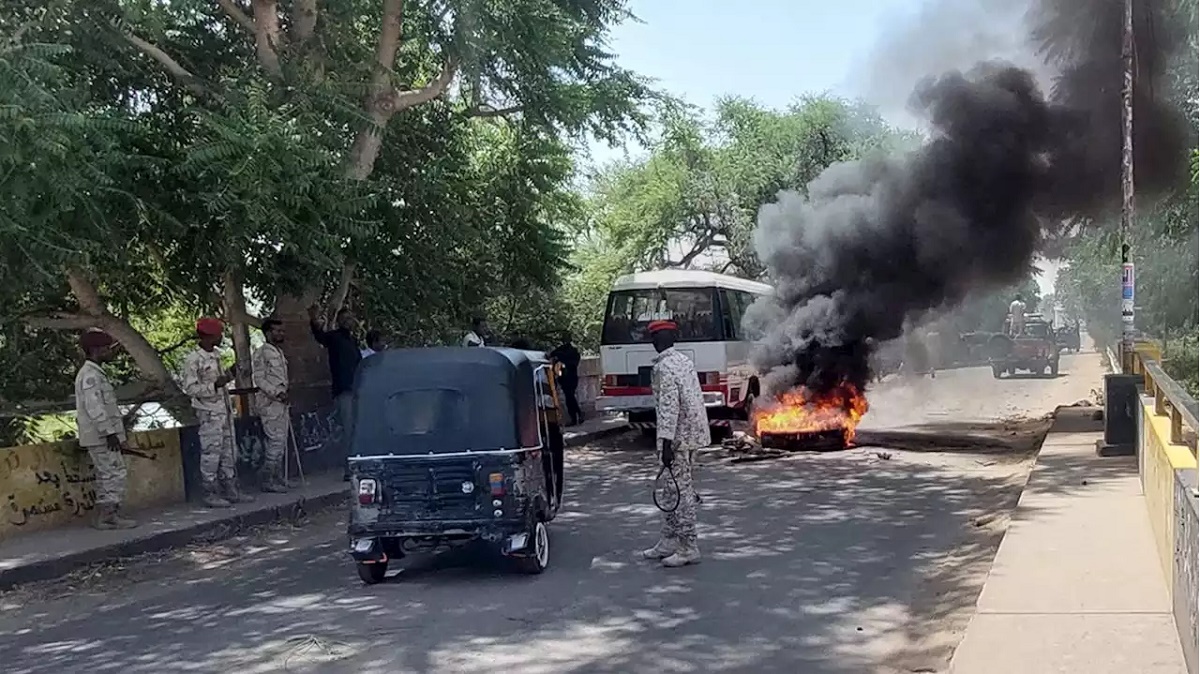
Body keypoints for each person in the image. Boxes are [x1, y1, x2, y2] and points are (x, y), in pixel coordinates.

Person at [642, 319, 710, 568]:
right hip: (691, 434)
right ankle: (669, 540)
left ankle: (688, 546)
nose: (654, 341)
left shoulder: (664, 367)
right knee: (671, 491)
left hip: (677, 438)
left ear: (657, 341)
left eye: (655, 337)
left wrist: (667, 444)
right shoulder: (683, 361)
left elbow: (670, 407)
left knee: (681, 493)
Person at [181, 318, 254, 507]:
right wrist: (214, 385)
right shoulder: (193, 359)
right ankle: (209, 492)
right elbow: (190, 389)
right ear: (208, 336)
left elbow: (221, 383)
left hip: (224, 411)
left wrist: (230, 375)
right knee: (211, 453)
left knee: (229, 452)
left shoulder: (216, 356)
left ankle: (230, 488)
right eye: (218, 334)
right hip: (209, 414)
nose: (221, 337)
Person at [74, 330, 138, 530]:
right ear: (96, 350)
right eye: (108, 349)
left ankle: (106, 515)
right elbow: (95, 408)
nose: (112, 353)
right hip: (101, 436)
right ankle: (109, 516)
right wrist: (110, 433)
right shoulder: (90, 376)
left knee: (107, 474)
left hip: (102, 435)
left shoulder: (94, 373)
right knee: (114, 473)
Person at [309, 306, 361, 480]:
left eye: (351, 318)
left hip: (357, 391)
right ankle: (349, 469)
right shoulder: (334, 337)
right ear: (339, 321)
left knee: (357, 430)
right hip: (344, 390)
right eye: (345, 318)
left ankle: (357, 465)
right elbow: (320, 337)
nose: (349, 321)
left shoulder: (353, 341)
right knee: (348, 431)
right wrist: (314, 321)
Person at [251, 318, 290, 493]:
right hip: (270, 403)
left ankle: (278, 477)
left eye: (282, 331)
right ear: (268, 333)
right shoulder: (261, 353)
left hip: (281, 403)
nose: (281, 333)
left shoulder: (279, 352)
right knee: (275, 441)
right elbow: (259, 379)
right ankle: (267, 479)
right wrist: (276, 393)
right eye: (277, 331)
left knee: (281, 441)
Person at [550, 332, 584, 426]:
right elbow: (552, 354)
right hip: (564, 378)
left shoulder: (573, 351)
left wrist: (561, 358)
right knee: (570, 397)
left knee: (570, 398)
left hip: (571, 377)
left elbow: (573, 363)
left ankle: (576, 416)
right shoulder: (563, 350)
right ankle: (577, 416)